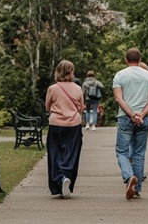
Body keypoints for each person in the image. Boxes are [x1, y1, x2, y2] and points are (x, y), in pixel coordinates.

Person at [113, 47, 148, 200]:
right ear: (140, 60)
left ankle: (128, 177)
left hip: (125, 118)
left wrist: (132, 114)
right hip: (144, 118)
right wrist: (142, 114)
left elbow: (119, 99)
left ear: (126, 60)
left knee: (122, 152)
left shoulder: (120, 75)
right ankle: (137, 188)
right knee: (139, 154)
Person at [45, 60, 85, 199]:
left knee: (55, 152)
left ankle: (59, 179)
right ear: (71, 72)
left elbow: (47, 106)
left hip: (56, 124)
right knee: (71, 153)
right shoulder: (78, 88)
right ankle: (66, 175)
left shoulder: (53, 88)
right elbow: (81, 108)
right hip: (73, 124)